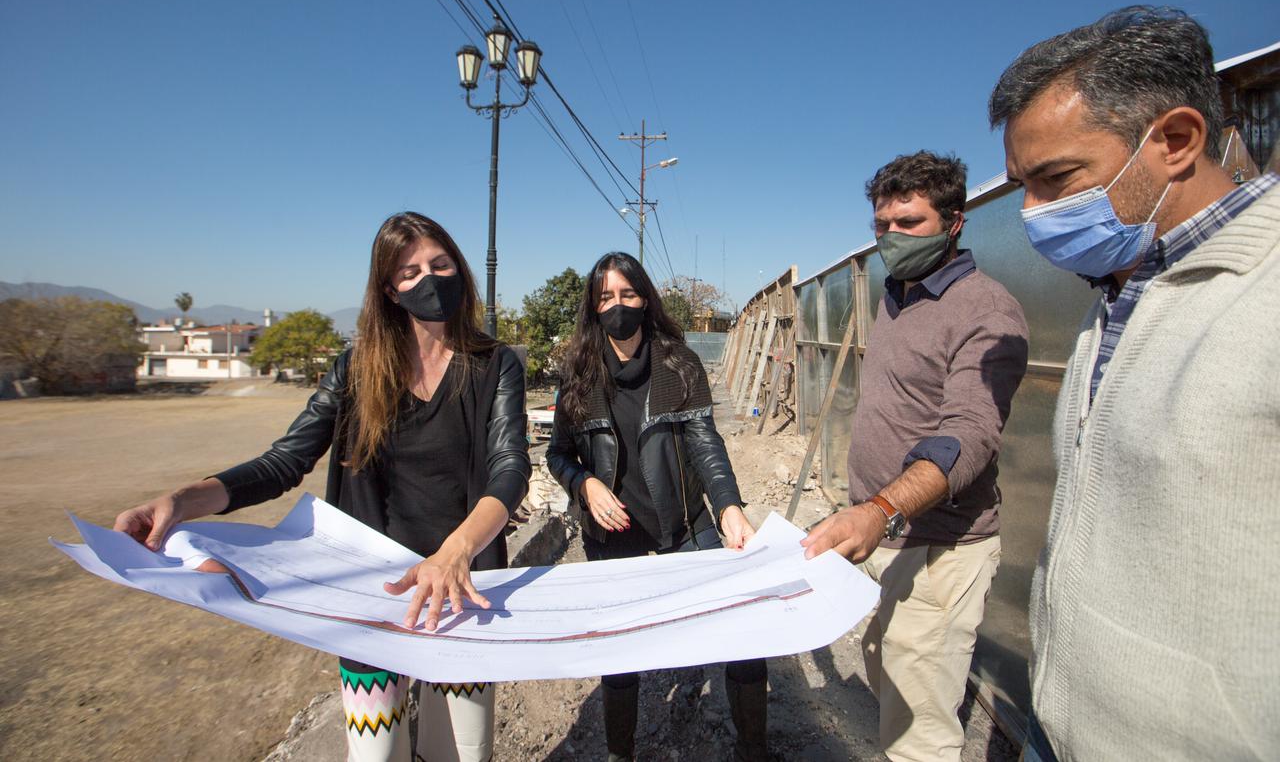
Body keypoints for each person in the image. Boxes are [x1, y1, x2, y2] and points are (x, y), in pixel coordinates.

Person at [113, 212, 530, 762]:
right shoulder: (356, 368)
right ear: (390, 290)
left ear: (460, 269)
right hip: (368, 592)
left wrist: (456, 551)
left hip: (462, 587)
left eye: (440, 265)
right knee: (376, 752)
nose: (428, 280)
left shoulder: (496, 364)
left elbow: (509, 468)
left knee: (460, 751)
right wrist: (182, 501)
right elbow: (285, 462)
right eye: (410, 273)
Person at [987, 5, 1279, 760]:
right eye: (1022, 186)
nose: (1031, 213)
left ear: (1175, 140)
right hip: (1062, 729)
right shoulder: (1122, 289)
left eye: (1056, 179)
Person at [801, 152, 1029, 762]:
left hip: (939, 549)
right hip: (890, 535)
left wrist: (880, 509)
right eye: (882, 225)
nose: (892, 237)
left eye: (909, 223)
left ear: (954, 223)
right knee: (886, 672)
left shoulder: (986, 310)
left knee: (917, 737)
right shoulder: (897, 295)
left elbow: (969, 435)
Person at [545, 251, 767, 762]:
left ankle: (753, 749)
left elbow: (705, 443)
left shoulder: (677, 363)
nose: (617, 305)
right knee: (620, 651)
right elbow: (557, 454)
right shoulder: (578, 373)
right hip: (612, 531)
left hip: (683, 520)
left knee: (742, 628)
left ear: (645, 299)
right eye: (606, 297)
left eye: (627, 294)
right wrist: (585, 485)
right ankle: (620, 753)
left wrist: (729, 507)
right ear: (593, 306)